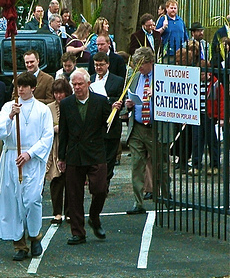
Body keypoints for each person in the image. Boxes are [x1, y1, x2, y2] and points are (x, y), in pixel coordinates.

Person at [0, 72, 54, 261]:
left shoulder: (42, 110)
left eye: (25, 86)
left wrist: (30, 154)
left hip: (32, 160)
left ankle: (35, 236)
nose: (20, 89)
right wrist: (10, 116)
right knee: (12, 201)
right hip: (11, 157)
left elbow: (47, 136)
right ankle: (19, 244)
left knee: (32, 199)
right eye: (18, 86)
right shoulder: (7, 107)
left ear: (33, 88)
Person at [58, 68, 116, 244]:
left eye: (80, 84)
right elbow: (63, 132)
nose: (77, 87)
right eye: (74, 84)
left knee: (100, 189)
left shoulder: (100, 101)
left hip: (95, 152)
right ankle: (78, 232)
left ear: (88, 84)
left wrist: (115, 111)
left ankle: (94, 216)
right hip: (74, 154)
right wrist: (61, 157)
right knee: (74, 195)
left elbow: (110, 127)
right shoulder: (66, 104)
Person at [123, 47, 173, 214]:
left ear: (150, 62)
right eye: (136, 64)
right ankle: (138, 202)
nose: (139, 68)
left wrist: (158, 94)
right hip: (137, 127)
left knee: (161, 165)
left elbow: (172, 101)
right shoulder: (135, 77)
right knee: (137, 166)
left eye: (141, 64)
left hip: (156, 128)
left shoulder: (162, 76)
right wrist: (129, 105)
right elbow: (129, 98)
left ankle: (166, 196)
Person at [90, 52, 124, 185]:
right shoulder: (91, 79)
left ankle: (105, 183)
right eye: (96, 65)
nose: (98, 68)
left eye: (101, 65)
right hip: (95, 126)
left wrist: (109, 102)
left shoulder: (117, 80)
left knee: (109, 158)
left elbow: (120, 99)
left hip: (111, 125)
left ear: (108, 64)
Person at [188, 63, 224, 176]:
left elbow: (222, 101)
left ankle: (214, 165)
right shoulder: (194, 82)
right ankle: (196, 165)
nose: (201, 76)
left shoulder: (216, 83)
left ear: (208, 72)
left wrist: (221, 117)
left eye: (202, 74)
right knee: (197, 140)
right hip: (197, 115)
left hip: (210, 116)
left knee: (212, 141)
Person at [46, 78, 72, 225]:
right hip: (54, 147)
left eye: (61, 92)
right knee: (56, 180)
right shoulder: (48, 108)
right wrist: (53, 129)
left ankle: (69, 212)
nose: (58, 96)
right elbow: (43, 128)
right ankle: (57, 213)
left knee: (71, 181)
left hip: (70, 146)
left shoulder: (72, 104)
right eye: (56, 93)